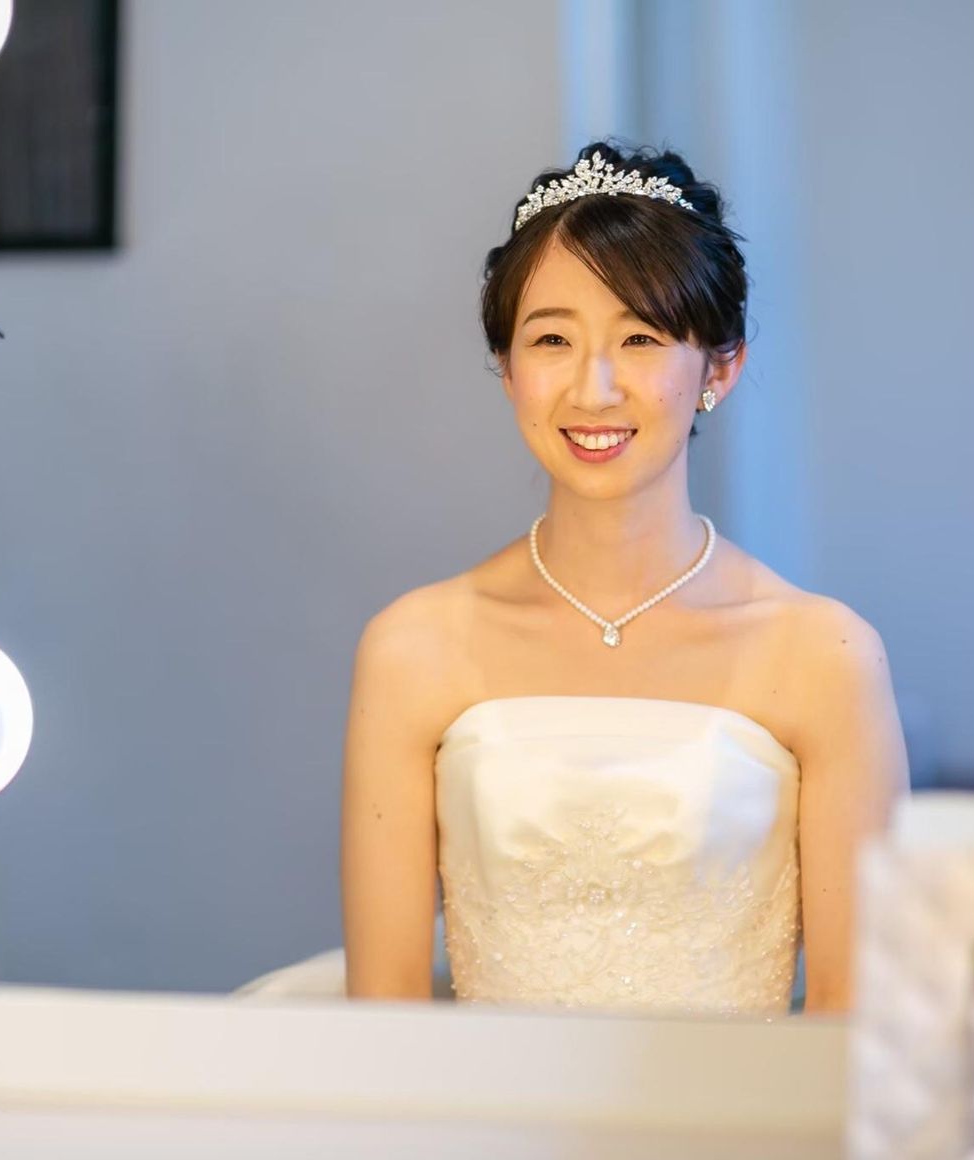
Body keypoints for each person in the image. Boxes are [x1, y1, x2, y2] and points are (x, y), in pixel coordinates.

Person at [340, 139, 909, 1017]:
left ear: (720, 366)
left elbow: (854, 1019)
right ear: (508, 368)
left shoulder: (824, 656)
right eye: (552, 340)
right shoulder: (413, 648)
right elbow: (384, 1017)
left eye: (640, 338)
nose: (593, 389)